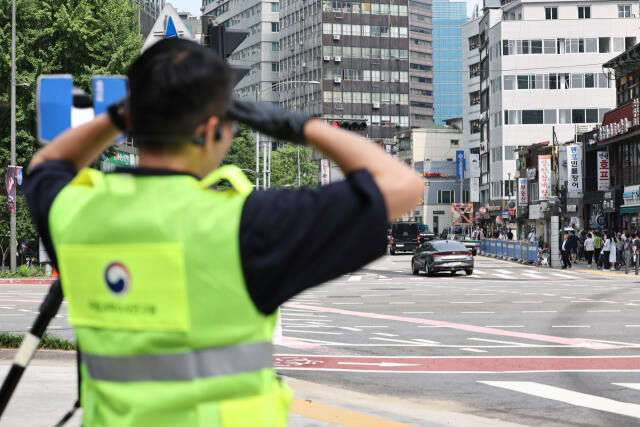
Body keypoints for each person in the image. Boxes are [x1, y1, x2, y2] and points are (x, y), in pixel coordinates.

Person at [24, 39, 425, 427]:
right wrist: (301, 126)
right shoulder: (246, 224)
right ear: (213, 128)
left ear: (132, 119)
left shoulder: (75, 215)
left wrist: (117, 117)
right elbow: (403, 185)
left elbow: (47, 161)